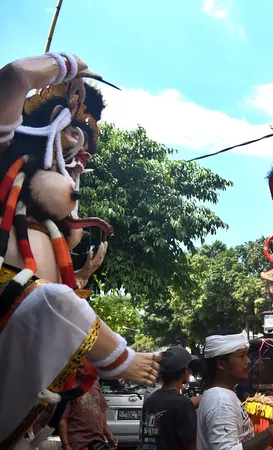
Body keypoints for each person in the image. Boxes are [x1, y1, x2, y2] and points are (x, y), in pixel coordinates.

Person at [0, 53, 160, 448]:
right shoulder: (8, 168)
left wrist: (81, 278)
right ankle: (121, 357)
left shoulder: (50, 223)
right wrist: (63, 66)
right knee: (54, 300)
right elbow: (13, 78)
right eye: (72, 132)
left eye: (85, 143)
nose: (78, 148)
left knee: (58, 299)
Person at [197, 331, 273, 450]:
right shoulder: (221, 401)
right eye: (241, 356)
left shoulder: (225, 395)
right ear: (221, 364)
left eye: (247, 355)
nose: (248, 361)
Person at [140, 347, 200, 450]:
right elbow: (191, 445)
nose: (190, 372)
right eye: (189, 368)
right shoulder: (183, 404)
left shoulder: (150, 401)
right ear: (185, 370)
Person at [58, 366, 116, 450]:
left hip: (98, 440)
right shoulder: (69, 387)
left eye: (87, 367)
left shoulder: (95, 384)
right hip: (78, 443)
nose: (85, 370)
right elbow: (62, 419)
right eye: (81, 367)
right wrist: (65, 444)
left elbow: (101, 411)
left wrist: (108, 434)